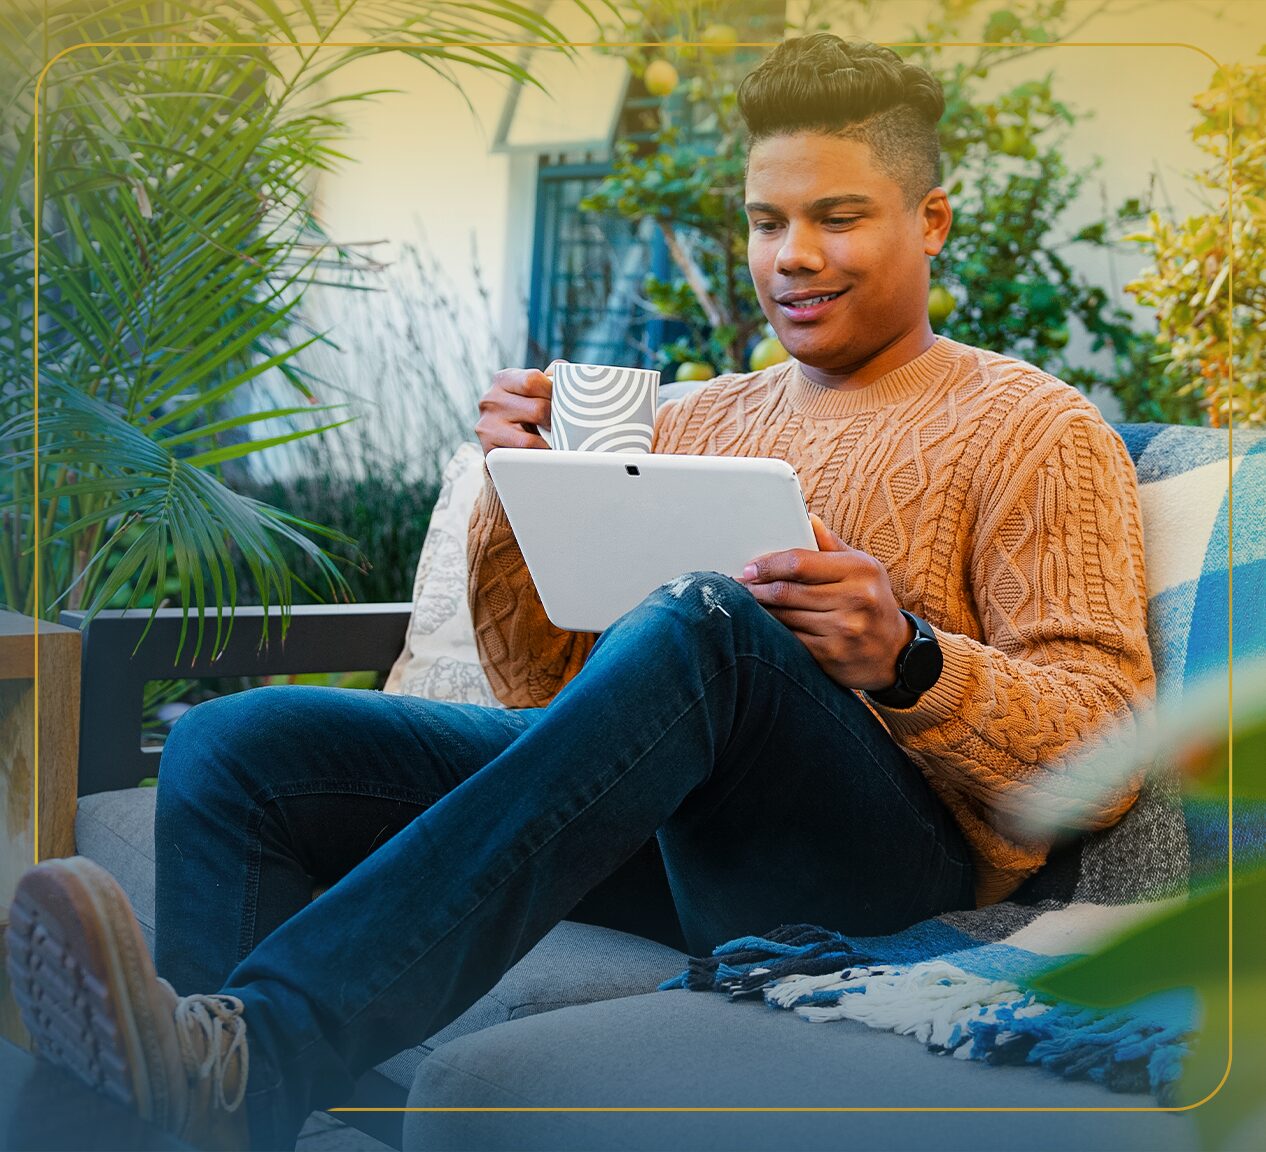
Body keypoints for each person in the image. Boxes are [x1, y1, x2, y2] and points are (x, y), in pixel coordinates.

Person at [4, 33, 1154, 1152]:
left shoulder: (1036, 427)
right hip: (657, 834)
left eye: (837, 216)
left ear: (931, 221)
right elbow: (555, 693)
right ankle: (214, 1112)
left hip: (875, 872)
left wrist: (908, 658)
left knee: (718, 619)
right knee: (234, 741)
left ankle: (265, 1046)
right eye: (766, 221)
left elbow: (1105, 748)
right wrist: (524, 487)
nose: (791, 255)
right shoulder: (697, 417)